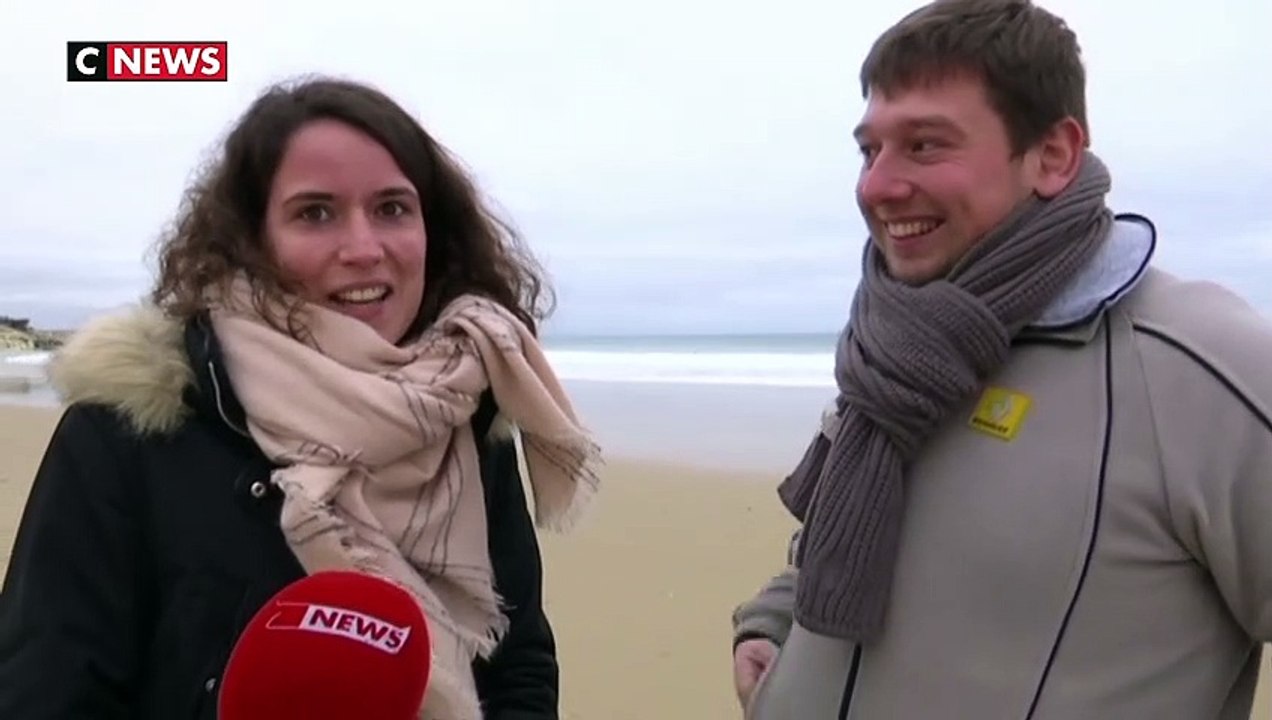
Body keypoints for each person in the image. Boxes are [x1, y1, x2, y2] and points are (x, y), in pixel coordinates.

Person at [730, 0, 1272, 717]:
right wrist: (777, 623)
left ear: (1053, 155)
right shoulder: (895, 347)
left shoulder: (1197, 368)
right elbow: (849, 530)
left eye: (925, 145)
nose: (877, 185)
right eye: (871, 150)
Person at [0, 76, 601, 720]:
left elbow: (519, 667)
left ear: (433, 229)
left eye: (393, 208)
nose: (364, 248)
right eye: (315, 212)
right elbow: (49, 693)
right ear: (252, 241)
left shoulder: (467, 417)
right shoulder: (130, 433)